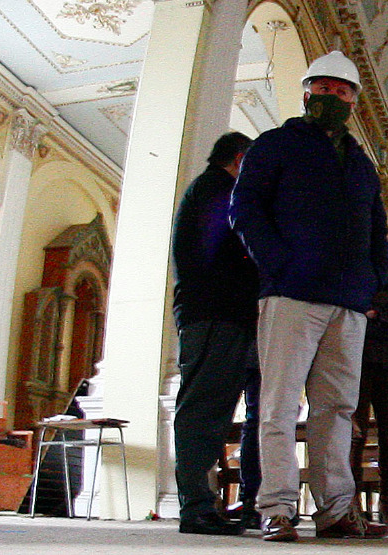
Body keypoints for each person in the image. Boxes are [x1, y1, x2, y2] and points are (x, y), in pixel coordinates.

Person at [230, 50, 388, 542]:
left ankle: (336, 510)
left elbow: (376, 232)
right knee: (278, 406)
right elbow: (245, 208)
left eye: (341, 92)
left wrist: (374, 288)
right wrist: (277, 262)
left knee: (338, 409)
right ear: (306, 93)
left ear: (354, 102)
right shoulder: (275, 145)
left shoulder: (363, 165)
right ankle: (277, 508)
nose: (331, 97)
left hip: (349, 303)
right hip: (292, 294)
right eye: (322, 89)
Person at [171, 131, 259, 536]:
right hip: (212, 315)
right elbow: (222, 255)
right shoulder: (215, 191)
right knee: (202, 409)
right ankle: (196, 508)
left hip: (224, 316)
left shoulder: (219, 191)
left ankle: (204, 505)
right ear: (240, 159)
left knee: (213, 410)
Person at [349, 241, 388, 525]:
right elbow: (353, 322)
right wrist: (379, 320)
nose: (387, 270)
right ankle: (353, 499)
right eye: (384, 264)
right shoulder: (354, 292)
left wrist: (377, 318)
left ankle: (386, 499)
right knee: (357, 435)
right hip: (358, 368)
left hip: (386, 367)